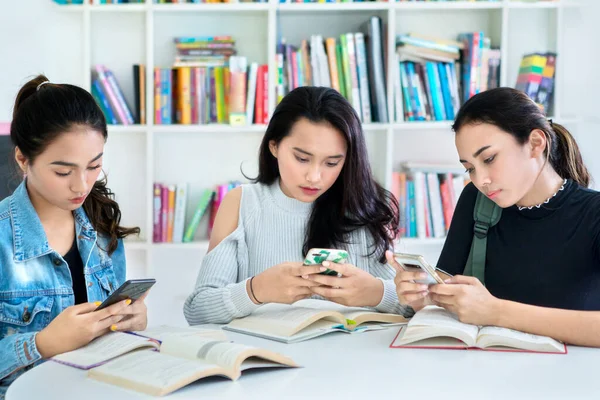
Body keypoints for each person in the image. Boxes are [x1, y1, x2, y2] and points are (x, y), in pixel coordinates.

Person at [389, 87, 600, 347]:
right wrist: (424, 298)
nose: (481, 180)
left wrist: (496, 311)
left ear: (535, 143)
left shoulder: (593, 214)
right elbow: (449, 300)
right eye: (469, 169)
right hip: (486, 378)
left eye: (489, 158)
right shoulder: (475, 201)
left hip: (570, 382)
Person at [184, 86, 409, 325]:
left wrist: (377, 293)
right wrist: (255, 290)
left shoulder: (364, 207)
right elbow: (197, 311)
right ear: (274, 146)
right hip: (268, 356)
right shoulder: (242, 204)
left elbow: (416, 307)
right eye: (302, 159)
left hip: (351, 357)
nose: (315, 176)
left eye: (332, 163)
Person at [0, 75, 147, 396]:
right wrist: (42, 343)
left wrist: (130, 320)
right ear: (23, 159)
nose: (81, 185)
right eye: (63, 172)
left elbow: (111, 329)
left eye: (94, 166)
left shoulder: (101, 222)